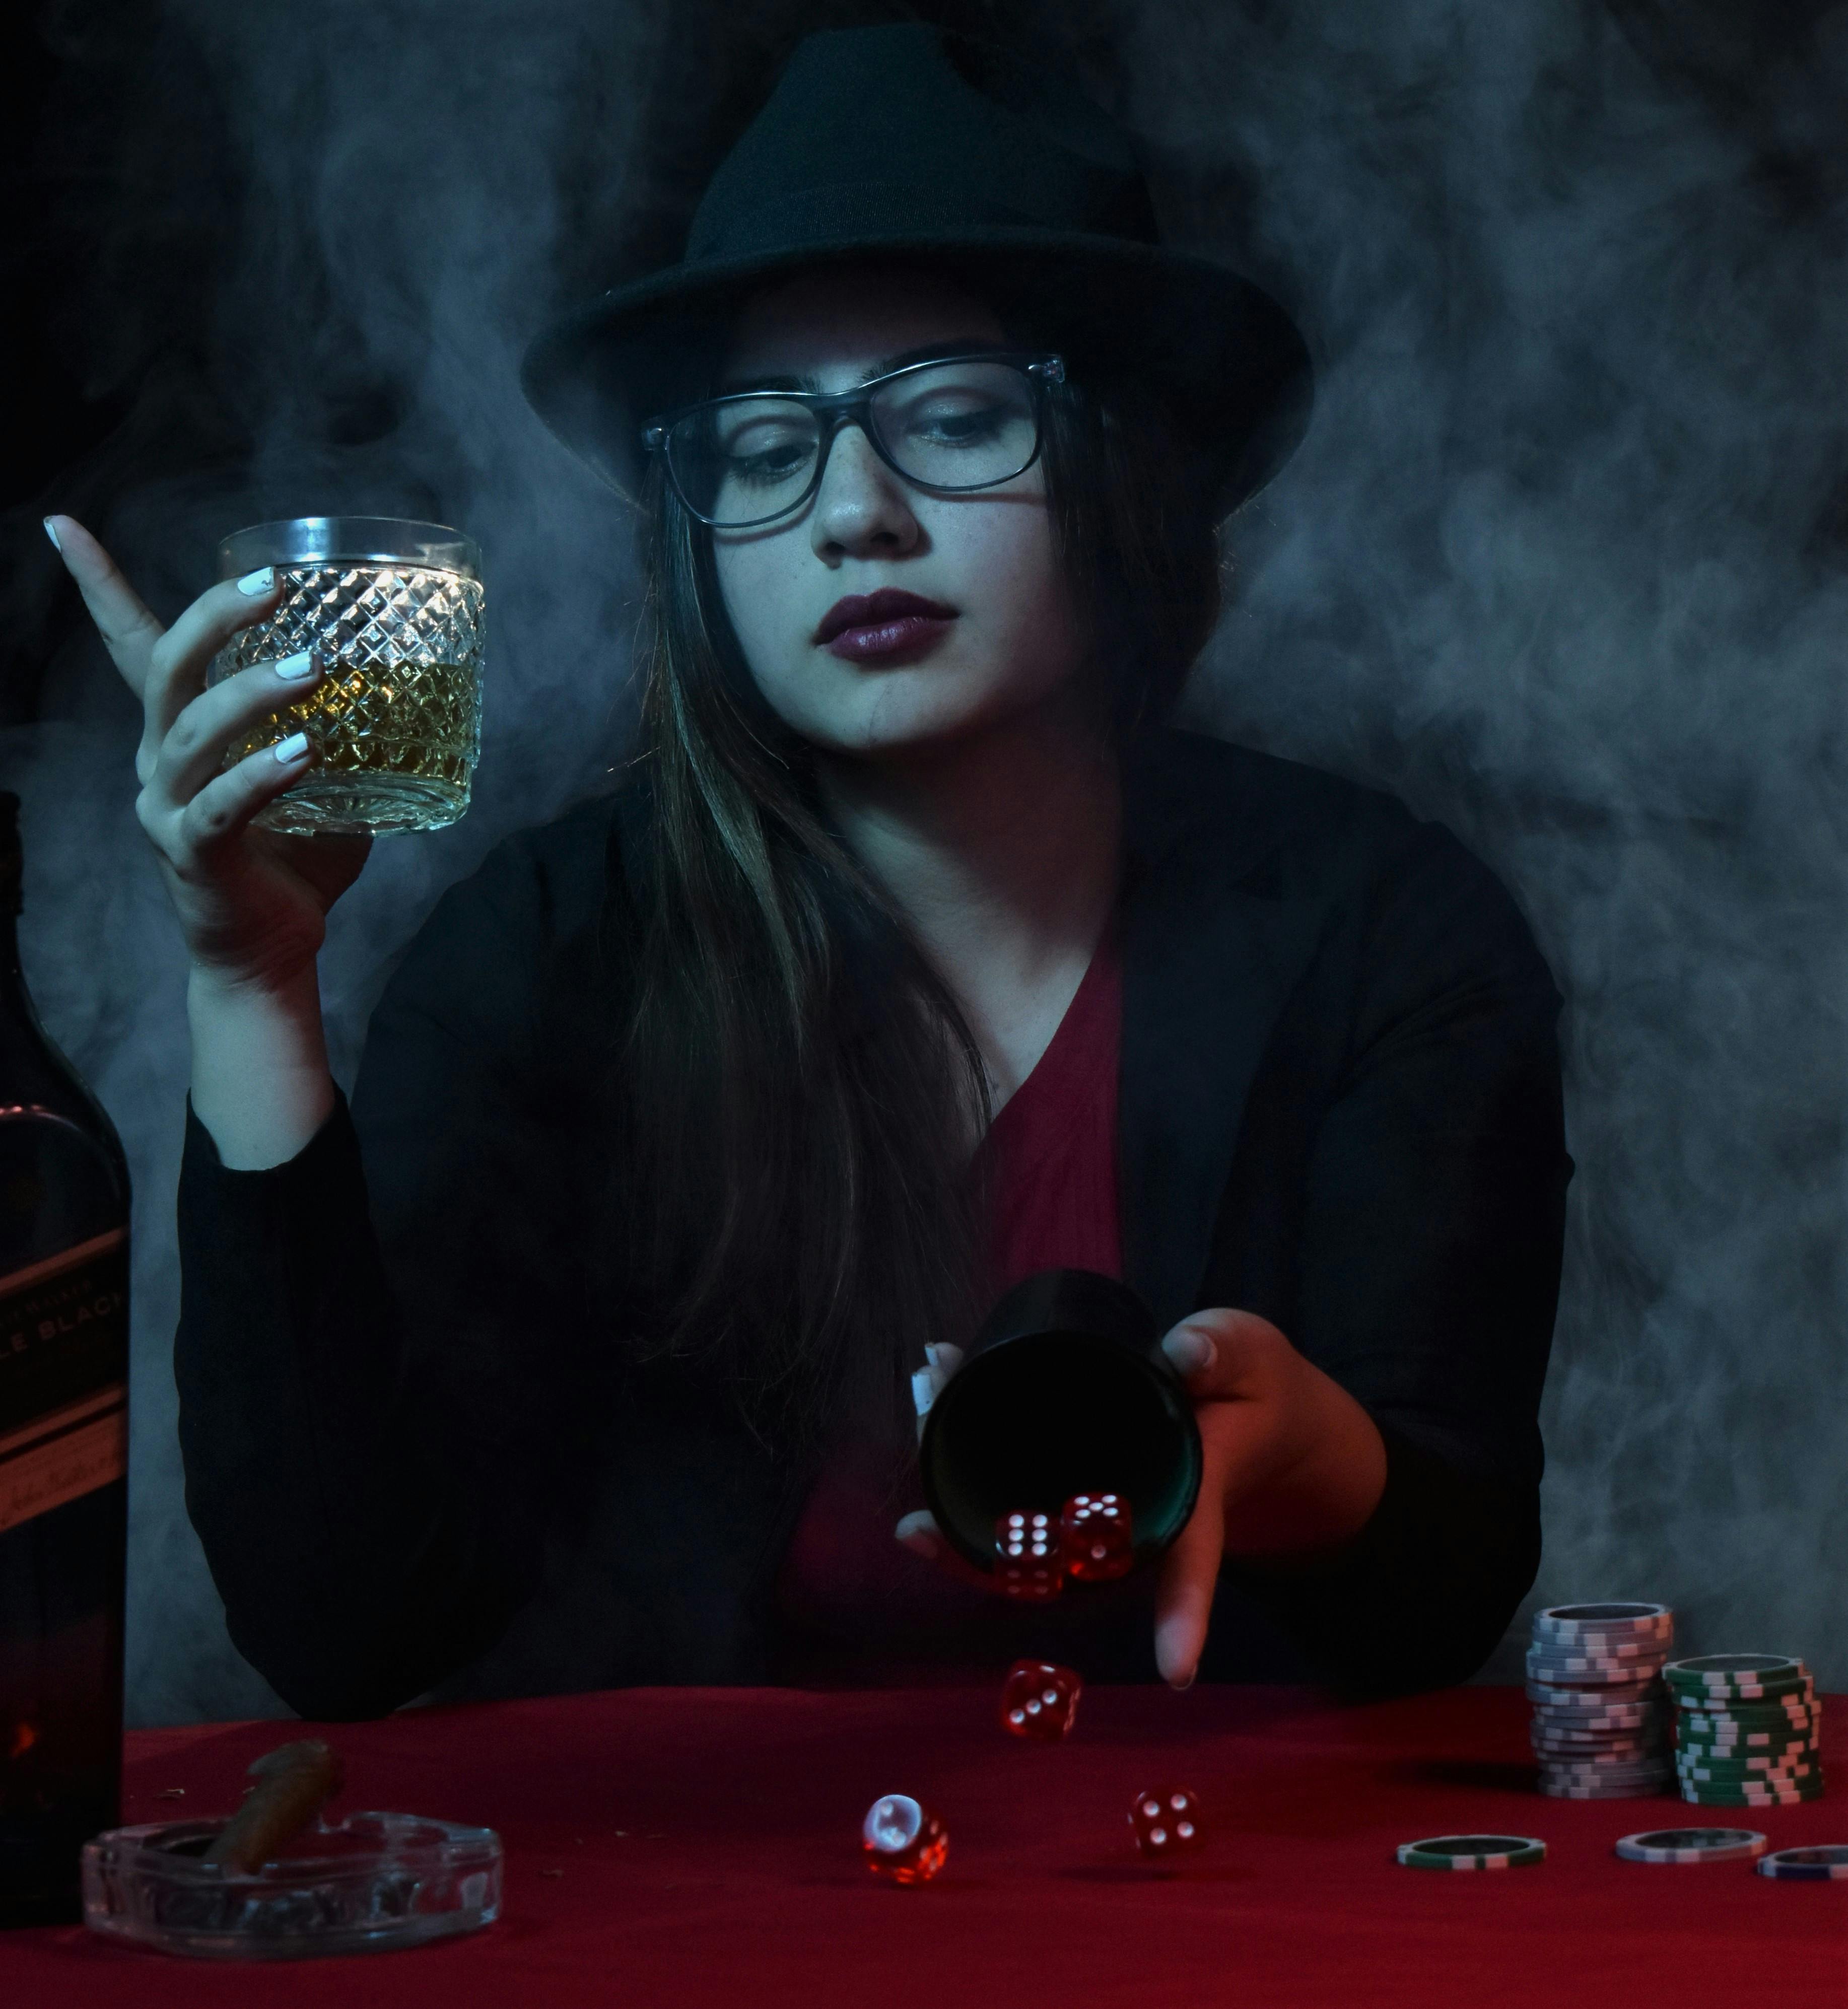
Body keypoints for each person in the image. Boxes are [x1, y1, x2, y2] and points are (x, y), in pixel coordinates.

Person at [46, 25, 1569, 1719]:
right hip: (679, 1875)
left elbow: (1448, 1590)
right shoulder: (545, 959)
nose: (856, 511)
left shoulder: (1387, 934)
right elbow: (348, 1626)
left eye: (957, 417)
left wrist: (1320, 1462)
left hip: (1212, 1864)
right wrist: (251, 982)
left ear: (1124, 462)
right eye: (767, 450)